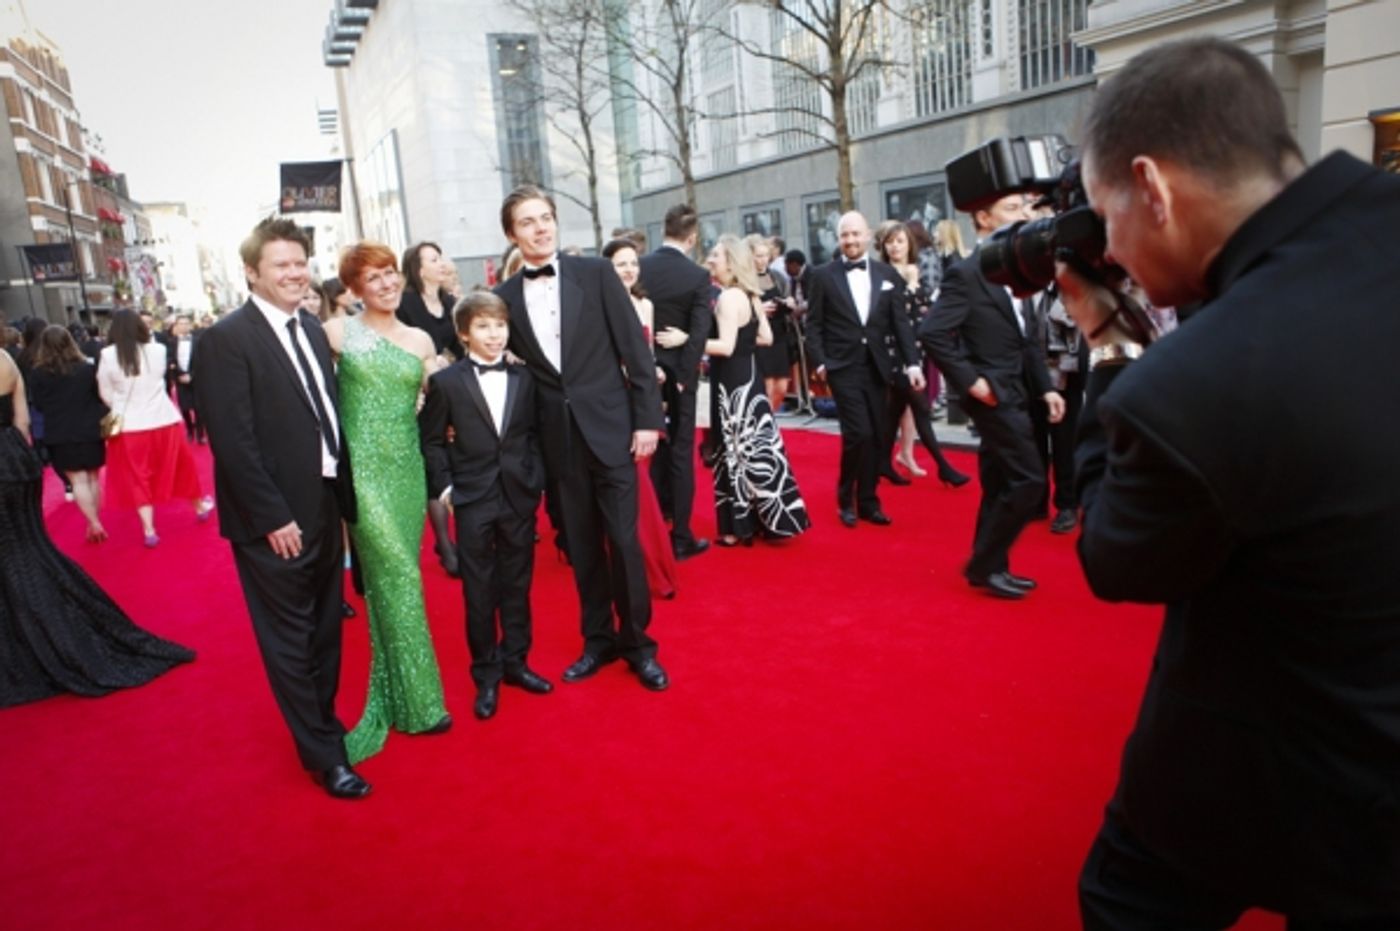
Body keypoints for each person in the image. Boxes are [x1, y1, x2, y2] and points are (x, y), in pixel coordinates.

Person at [1054, 38, 1400, 928]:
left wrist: (1112, 346)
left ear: (1154, 188)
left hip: (1278, 766)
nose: (1113, 250)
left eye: (1106, 217)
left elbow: (1116, 556)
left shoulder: (1191, 384)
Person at [194, 218, 368, 800]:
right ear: (251, 273)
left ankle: (325, 726)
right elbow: (232, 440)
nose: (295, 274)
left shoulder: (313, 330)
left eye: (300, 264)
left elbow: (324, 415)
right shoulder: (226, 338)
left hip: (321, 502)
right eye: (281, 266)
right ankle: (325, 754)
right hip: (273, 519)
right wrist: (272, 517)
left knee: (324, 628)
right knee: (291, 639)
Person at [493, 184, 669, 691]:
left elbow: (636, 354)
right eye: (527, 222)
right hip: (557, 441)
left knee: (624, 542)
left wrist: (646, 421)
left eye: (545, 217)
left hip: (613, 430)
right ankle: (598, 641)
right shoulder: (503, 300)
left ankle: (639, 645)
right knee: (584, 548)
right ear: (512, 234)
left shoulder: (595, 274)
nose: (540, 227)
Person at [0, 349, 194, 708]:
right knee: (29, 550)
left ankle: (28, 646)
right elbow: (22, 423)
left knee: (16, 558)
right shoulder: (6, 361)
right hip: (14, 460)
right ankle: (55, 632)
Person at [324, 242, 452, 758]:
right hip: (363, 477)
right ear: (354, 289)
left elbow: (443, 398)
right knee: (398, 572)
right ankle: (421, 703)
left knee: (398, 577)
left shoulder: (421, 338)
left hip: (407, 471)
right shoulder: (336, 333)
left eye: (391, 273)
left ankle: (401, 690)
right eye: (373, 277)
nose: (386, 284)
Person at [919, 194, 1064, 599]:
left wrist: (1047, 388)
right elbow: (932, 333)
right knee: (1031, 480)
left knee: (1001, 482)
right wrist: (971, 382)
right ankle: (985, 561)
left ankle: (991, 567)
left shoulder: (1017, 274)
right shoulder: (966, 274)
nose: (1024, 216)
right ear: (983, 218)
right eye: (1013, 209)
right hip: (993, 395)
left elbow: (1025, 340)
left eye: (1026, 208)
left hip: (1020, 389)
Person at [421, 291, 551, 721]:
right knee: (479, 592)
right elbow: (433, 441)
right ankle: (487, 675)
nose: (494, 335)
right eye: (483, 326)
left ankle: (517, 662)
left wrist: (535, 481)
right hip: (472, 497)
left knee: (517, 583)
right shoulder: (446, 383)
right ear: (463, 334)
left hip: (518, 495)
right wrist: (445, 491)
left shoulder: (524, 378)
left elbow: (534, 434)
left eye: (499, 326)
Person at [805, 211, 925, 528]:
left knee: (876, 436)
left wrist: (912, 363)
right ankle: (846, 497)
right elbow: (813, 326)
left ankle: (869, 501)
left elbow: (901, 324)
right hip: (841, 367)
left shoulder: (887, 274)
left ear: (869, 236)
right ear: (838, 238)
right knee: (858, 433)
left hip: (877, 366)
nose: (851, 241)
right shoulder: (822, 275)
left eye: (856, 234)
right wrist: (820, 363)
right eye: (845, 235)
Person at [703, 234, 809, 545]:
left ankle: (739, 529)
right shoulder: (749, 294)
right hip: (750, 378)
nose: (710, 260)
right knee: (757, 446)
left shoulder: (727, 298)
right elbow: (765, 337)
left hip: (732, 382)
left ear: (731, 262)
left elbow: (724, 345)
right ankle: (772, 518)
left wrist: (689, 341)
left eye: (716, 256)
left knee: (734, 450)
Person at [96, 309, 213, 547]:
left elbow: (105, 391)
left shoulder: (108, 355)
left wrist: (118, 404)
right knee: (182, 467)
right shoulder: (158, 350)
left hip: (129, 425)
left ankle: (149, 529)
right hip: (163, 420)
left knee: (138, 477)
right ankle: (199, 506)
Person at [603, 239, 680, 598]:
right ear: (607, 268)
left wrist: (653, 388)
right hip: (611, 404)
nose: (630, 270)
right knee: (631, 487)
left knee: (641, 484)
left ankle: (652, 570)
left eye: (633, 263)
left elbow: (644, 355)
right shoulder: (598, 304)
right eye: (621, 264)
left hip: (641, 401)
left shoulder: (645, 304)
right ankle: (637, 569)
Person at [640, 203, 713, 562]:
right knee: (681, 453)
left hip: (645, 373)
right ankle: (681, 536)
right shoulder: (697, 276)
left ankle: (653, 525)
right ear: (693, 237)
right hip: (680, 374)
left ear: (663, 230)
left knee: (651, 451)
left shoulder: (640, 267)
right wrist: (685, 379)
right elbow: (699, 334)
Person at [874, 220, 970, 488]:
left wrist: (915, 285)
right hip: (893, 350)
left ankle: (883, 461)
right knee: (921, 408)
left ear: (909, 244)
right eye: (890, 242)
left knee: (895, 410)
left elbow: (924, 305)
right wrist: (911, 287)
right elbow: (893, 312)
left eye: (900, 241)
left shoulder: (915, 270)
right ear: (884, 246)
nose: (895, 246)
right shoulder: (881, 273)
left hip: (915, 347)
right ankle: (944, 467)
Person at [397, 241, 464, 579]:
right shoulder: (406, 304)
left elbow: (459, 349)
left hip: (446, 394)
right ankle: (444, 543)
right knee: (431, 467)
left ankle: (458, 539)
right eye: (433, 259)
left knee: (452, 462)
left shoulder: (450, 303)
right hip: (418, 399)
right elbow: (397, 345)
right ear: (417, 268)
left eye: (441, 257)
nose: (441, 264)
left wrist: (447, 363)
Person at [25, 326, 109, 542]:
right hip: (90, 428)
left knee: (78, 481)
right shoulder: (86, 369)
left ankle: (93, 523)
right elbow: (98, 397)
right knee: (92, 478)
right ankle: (95, 520)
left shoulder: (37, 374)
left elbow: (40, 405)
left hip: (60, 431)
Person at [745, 233, 795, 413]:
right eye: (758, 255)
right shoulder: (744, 280)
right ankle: (763, 421)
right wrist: (758, 310)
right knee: (766, 385)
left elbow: (789, 297)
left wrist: (789, 303)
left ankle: (770, 417)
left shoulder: (777, 277)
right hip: (758, 336)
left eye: (766, 255)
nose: (763, 260)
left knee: (782, 385)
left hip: (779, 335)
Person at [164, 314, 204, 444]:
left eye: (186, 323)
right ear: (176, 326)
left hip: (196, 377)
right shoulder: (171, 342)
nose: (184, 326)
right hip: (180, 378)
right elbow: (170, 359)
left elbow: (202, 361)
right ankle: (190, 431)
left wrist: (191, 375)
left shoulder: (198, 341)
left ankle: (200, 433)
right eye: (181, 324)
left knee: (199, 407)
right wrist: (179, 374)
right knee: (184, 407)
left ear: (190, 325)